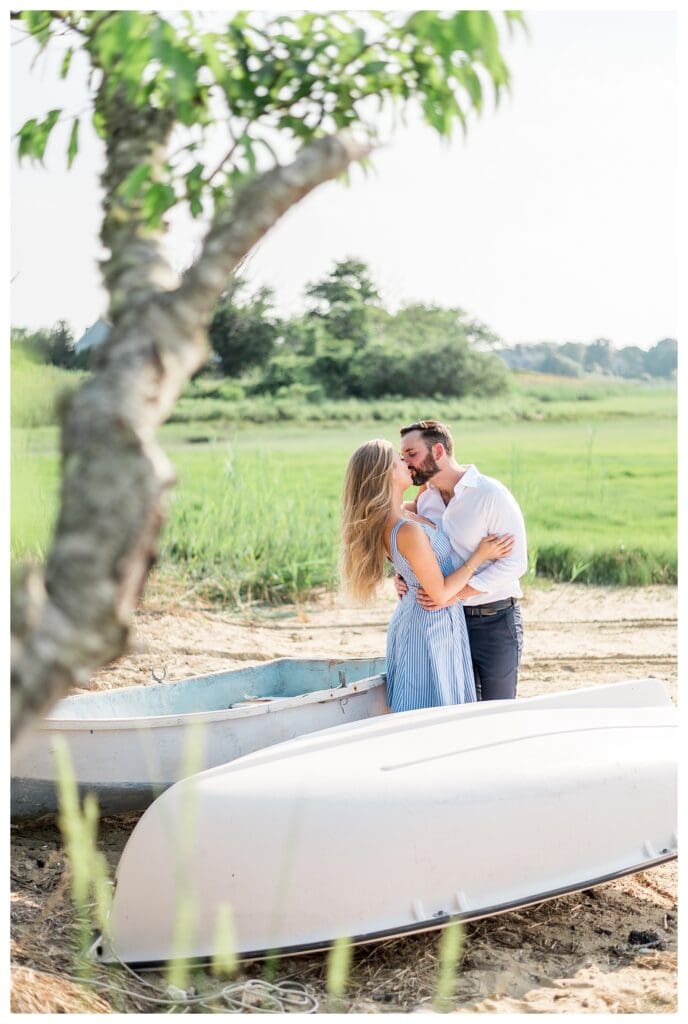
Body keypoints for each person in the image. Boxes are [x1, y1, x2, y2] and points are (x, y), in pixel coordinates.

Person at [341, 439, 514, 713]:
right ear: (385, 473)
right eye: (400, 459)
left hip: (436, 618)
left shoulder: (406, 511)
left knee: (442, 708)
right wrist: (480, 555)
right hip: (428, 622)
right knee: (429, 709)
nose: (407, 463)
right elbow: (442, 593)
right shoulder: (404, 527)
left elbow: (434, 476)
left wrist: (404, 574)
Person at [398, 420, 527, 701]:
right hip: (446, 624)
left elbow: (515, 564)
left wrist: (454, 595)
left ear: (439, 451)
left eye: (412, 454)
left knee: (497, 711)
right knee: (459, 710)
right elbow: (421, 548)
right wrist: (403, 576)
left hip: (494, 621)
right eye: (403, 456)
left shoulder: (490, 494)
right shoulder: (425, 500)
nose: (407, 463)